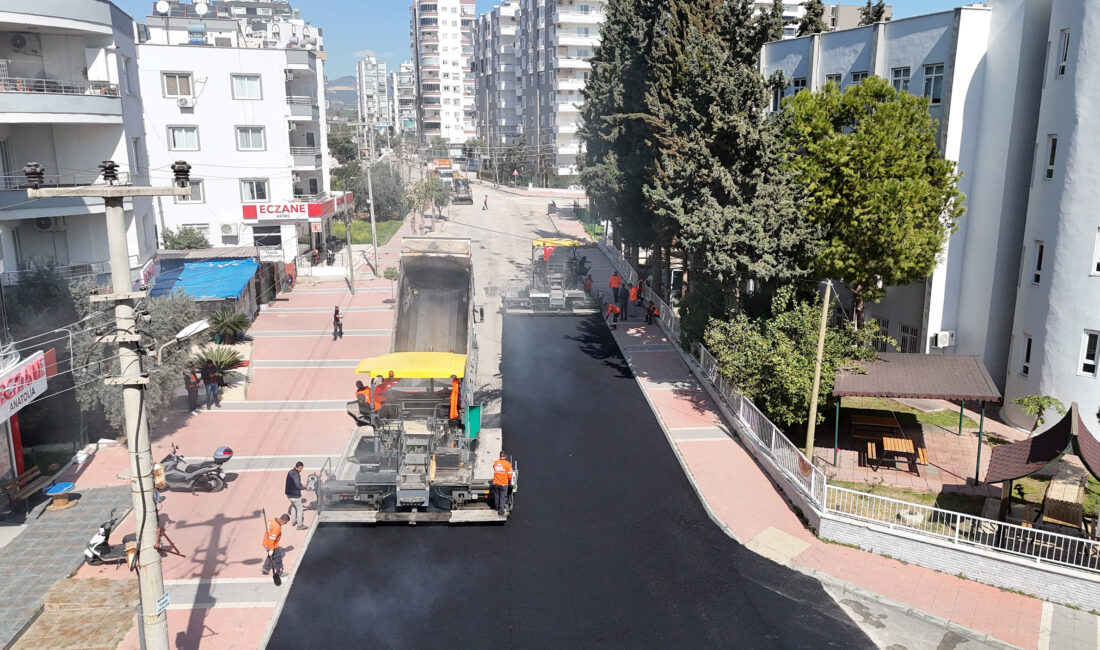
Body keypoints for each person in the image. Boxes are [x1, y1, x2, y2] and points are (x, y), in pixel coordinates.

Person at [285, 462, 310, 530]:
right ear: (296, 467)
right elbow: (298, 486)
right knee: (300, 509)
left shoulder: (291, 471)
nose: (301, 470)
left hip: (288, 494)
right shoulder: (296, 474)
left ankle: (293, 521)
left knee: (293, 506)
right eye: (300, 468)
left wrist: (302, 485)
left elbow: (295, 482)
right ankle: (300, 525)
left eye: (302, 468)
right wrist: (305, 488)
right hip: (295, 495)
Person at [491, 452, 513, 516]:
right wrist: (509, 481)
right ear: (505, 456)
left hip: (496, 483)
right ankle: (501, 512)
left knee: (497, 496)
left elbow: (494, 468)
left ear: (499, 456)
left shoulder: (495, 462)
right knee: (502, 498)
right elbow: (510, 475)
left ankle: (497, 507)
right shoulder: (508, 464)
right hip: (503, 484)